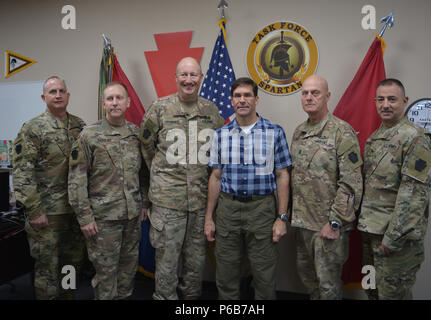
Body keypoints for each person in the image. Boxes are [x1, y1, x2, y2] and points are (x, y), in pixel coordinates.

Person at [139, 57, 225, 300]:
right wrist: (161, 177)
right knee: (166, 263)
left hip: (199, 202)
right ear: (176, 78)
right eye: (184, 75)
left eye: (194, 75)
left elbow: (218, 152)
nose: (189, 80)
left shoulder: (211, 111)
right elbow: (146, 148)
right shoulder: (159, 108)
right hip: (168, 203)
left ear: (201, 78)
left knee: (195, 262)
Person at [204, 77, 292, 300]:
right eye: (237, 96)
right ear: (232, 101)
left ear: (256, 99)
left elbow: (282, 175)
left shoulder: (274, 132)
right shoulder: (221, 135)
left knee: (264, 273)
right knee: (226, 273)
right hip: (228, 209)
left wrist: (281, 217)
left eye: (247, 95)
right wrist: (209, 217)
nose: (242, 100)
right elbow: (215, 176)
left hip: (261, 209)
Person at [358, 78, 431, 300]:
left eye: (392, 99)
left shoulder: (416, 138)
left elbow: (413, 195)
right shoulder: (375, 138)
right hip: (370, 234)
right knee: (371, 290)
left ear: (405, 101)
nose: (385, 105)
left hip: (394, 243)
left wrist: (393, 238)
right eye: (380, 99)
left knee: (392, 296)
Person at [68, 82, 149, 300]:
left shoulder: (135, 134)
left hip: (131, 217)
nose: (115, 103)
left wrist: (144, 203)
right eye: (110, 99)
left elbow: (143, 174)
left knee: (128, 271)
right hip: (103, 220)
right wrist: (85, 218)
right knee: (105, 274)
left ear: (128, 102)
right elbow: (76, 180)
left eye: (119, 98)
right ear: (103, 103)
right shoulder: (89, 135)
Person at [12, 76, 86, 299]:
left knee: (71, 264)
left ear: (68, 96)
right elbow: (22, 172)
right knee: (47, 268)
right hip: (47, 213)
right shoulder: (33, 128)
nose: (58, 95)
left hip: (74, 211)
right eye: (52, 91)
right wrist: (34, 210)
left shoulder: (79, 126)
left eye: (62, 91)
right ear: (44, 97)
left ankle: (68, 297)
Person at [290, 75, 363, 299]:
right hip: (303, 225)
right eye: (305, 93)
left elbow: (352, 183)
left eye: (315, 93)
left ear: (327, 96)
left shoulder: (342, 132)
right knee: (309, 281)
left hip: (327, 227)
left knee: (328, 287)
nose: (309, 97)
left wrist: (335, 222)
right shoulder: (299, 131)